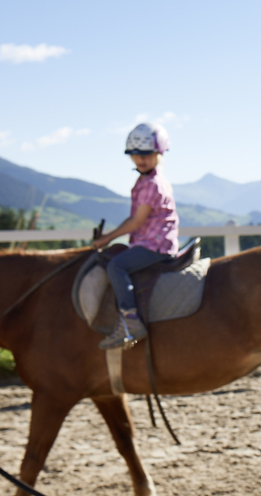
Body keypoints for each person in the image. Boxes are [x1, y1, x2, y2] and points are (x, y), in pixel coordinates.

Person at [93, 122, 179, 349]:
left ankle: (130, 320)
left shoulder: (152, 184)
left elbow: (137, 221)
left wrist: (107, 238)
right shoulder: (145, 181)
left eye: (147, 155)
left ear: (159, 153)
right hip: (149, 241)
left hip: (155, 245)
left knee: (117, 267)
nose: (141, 160)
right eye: (136, 155)